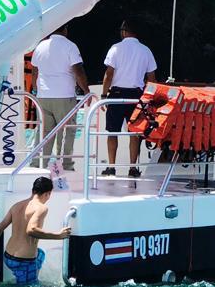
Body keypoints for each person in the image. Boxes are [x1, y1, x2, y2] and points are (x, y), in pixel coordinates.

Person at [0, 176, 71, 285]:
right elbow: (31, 230)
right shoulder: (41, 208)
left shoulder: (16, 206)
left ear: (33, 190)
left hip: (8, 257)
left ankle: (32, 276)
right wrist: (58, 235)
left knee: (40, 254)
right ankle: (31, 280)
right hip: (23, 262)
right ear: (48, 194)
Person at [101, 18, 158, 178]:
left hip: (116, 94)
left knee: (112, 132)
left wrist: (104, 94)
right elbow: (152, 78)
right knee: (135, 133)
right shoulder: (145, 50)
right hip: (136, 96)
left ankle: (111, 167)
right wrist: (150, 98)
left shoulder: (115, 48)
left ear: (124, 32)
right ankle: (133, 168)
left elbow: (109, 74)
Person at [31, 24, 89, 170]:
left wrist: (36, 90)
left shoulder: (40, 46)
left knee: (44, 132)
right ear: (65, 30)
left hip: (43, 96)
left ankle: (38, 165)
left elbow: (34, 71)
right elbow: (78, 71)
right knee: (66, 132)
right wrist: (86, 91)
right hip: (64, 95)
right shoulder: (70, 46)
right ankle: (64, 166)